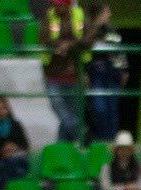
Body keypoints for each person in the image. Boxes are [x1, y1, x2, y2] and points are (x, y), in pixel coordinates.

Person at [41, 0, 104, 143]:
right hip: (52, 73)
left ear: (68, 5)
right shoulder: (48, 16)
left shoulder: (80, 15)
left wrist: (69, 45)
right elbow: (43, 38)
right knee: (62, 112)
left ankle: (62, 149)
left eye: (60, 4)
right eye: (55, 4)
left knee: (72, 113)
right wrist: (59, 45)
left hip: (75, 73)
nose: (56, 7)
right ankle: (84, 134)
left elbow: (89, 38)